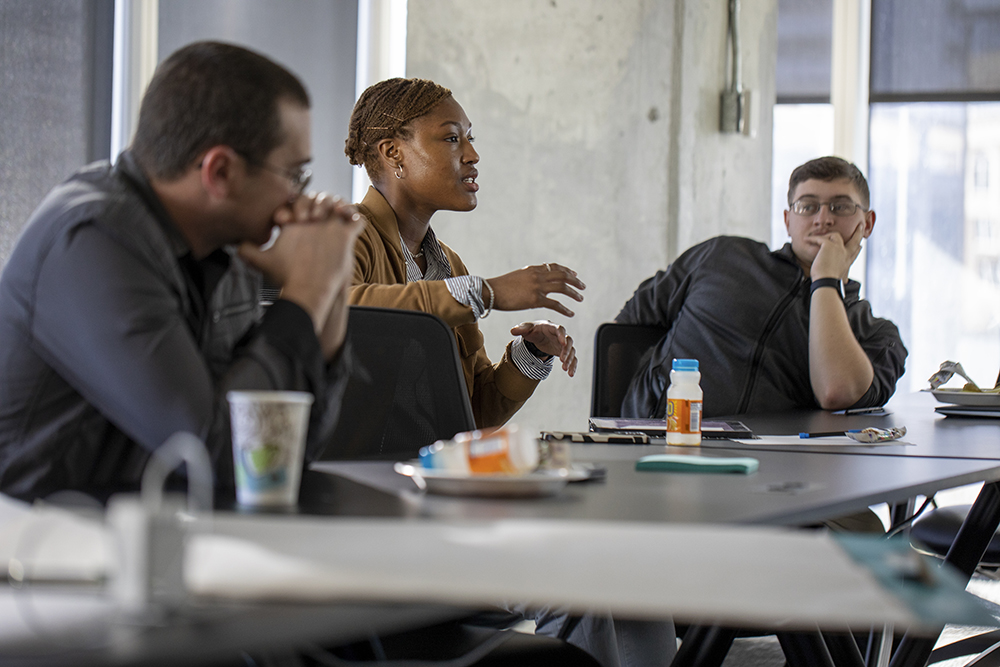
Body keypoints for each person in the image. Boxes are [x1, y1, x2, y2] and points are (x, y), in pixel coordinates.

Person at [0, 41, 363, 502]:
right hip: (42, 549)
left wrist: (329, 289)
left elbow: (286, 451)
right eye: (295, 176)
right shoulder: (94, 241)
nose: (299, 199)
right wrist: (307, 290)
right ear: (220, 172)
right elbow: (212, 452)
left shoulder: (224, 250)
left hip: (156, 532)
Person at [343, 78, 585, 429]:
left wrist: (531, 354)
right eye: (452, 138)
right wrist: (485, 292)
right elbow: (340, 311)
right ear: (393, 152)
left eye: (470, 138)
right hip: (359, 477)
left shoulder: (448, 265)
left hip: (433, 475)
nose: (472, 154)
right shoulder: (344, 234)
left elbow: (472, 413)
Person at [618, 156, 907, 422]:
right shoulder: (723, 257)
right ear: (787, 221)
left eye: (840, 207)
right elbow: (628, 326)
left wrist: (826, 279)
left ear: (867, 224)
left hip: (775, 466)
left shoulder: (877, 335)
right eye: (807, 206)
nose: (823, 219)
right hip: (661, 440)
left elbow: (835, 392)